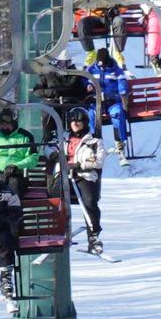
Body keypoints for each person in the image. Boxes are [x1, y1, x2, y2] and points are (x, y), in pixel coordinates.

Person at [0, 106, 39, 291]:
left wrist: (17, 164)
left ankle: (12, 229)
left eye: (7, 123)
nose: (4, 127)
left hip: (15, 175)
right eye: (1, 123)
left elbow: (34, 157)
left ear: (14, 123)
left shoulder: (24, 136)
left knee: (11, 190)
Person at [63, 107, 105, 256]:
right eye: (73, 120)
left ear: (85, 122)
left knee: (90, 202)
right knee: (55, 200)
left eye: (79, 120)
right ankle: (58, 232)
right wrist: (55, 157)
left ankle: (93, 238)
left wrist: (80, 165)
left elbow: (98, 161)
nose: (75, 123)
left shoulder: (94, 141)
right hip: (64, 175)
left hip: (83, 175)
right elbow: (51, 150)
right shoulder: (63, 138)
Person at [86, 44, 132, 155]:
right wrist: (88, 86)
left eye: (103, 65)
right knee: (91, 115)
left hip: (112, 101)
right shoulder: (92, 69)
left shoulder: (116, 70)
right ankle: (96, 141)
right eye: (99, 64)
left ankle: (119, 141)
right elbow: (84, 80)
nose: (101, 67)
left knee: (117, 114)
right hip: (97, 102)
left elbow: (122, 83)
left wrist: (122, 91)